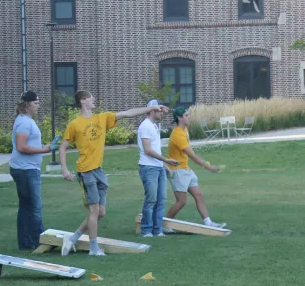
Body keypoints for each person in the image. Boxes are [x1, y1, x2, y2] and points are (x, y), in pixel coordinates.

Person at [59, 91, 168, 256]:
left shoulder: (101, 118)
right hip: (85, 170)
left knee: (100, 213)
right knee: (94, 211)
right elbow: (63, 147)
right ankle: (94, 249)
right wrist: (64, 169)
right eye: (90, 97)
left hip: (99, 171)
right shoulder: (75, 124)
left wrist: (153, 107)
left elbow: (127, 113)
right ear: (82, 101)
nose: (94, 99)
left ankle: (73, 238)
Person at [9, 91, 57, 250]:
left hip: (24, 168)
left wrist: (46, 147)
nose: (38, 105)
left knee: (25, 206)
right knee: (35, 206)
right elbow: (21, 146)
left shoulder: (25, 120)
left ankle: (25, 243)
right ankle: (41, 242)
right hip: (26, 170)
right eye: (35, 103)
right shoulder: (24, 123)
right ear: (27, 105)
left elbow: (29, 145)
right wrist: (44, 150)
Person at [166, 107, 227, 229]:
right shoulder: (177, 134)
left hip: (185, 169)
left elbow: (190, 152)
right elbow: (192, 155)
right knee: (181, 201)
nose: (189, 117)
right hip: (177, 171)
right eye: (186, 115)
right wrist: (207, 167)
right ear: (179, 118)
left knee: (198, 195)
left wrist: (204, 163)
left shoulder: (185, 130)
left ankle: (209, 223)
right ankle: (164, 224)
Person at [137, 99, 178, 237]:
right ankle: (146, 230)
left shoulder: (154, 125)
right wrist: (166, 160)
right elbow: (148, 150)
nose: (162, 113)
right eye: (159, 110)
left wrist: (164, 166)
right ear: (152, 110)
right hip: (148, 168)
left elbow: (156, 149)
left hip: (158, 167)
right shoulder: (145, 126)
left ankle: (157, 229)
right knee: (151, 200)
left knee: (161, 200)